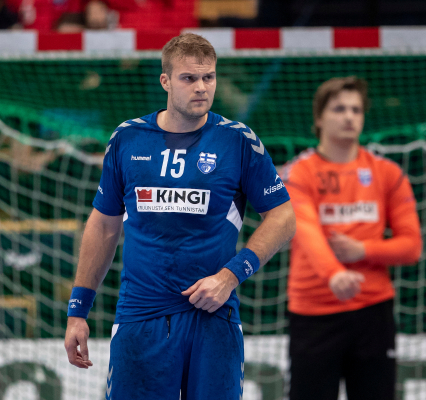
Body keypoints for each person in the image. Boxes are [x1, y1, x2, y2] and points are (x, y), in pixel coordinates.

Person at [64, 33, 296, 400]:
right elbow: (104, 225)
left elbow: (283, 217)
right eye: (189, 78)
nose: (201, 87)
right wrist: (78, 310)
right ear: (166, 81)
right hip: (141, 316)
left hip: (214, 316)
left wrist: (230, 276)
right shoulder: (127, 138)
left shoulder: (237, 140)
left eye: (209, 77)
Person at [283, 76, 422, 400]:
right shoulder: (298, 173)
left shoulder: (387, 172)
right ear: (319, 118)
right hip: (314, 312)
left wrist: (363, 250)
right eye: (339, 109)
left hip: (372, 309)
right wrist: (334, 274)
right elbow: (306, 232)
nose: (349, 117)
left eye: (356, 110)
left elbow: (412, 246)